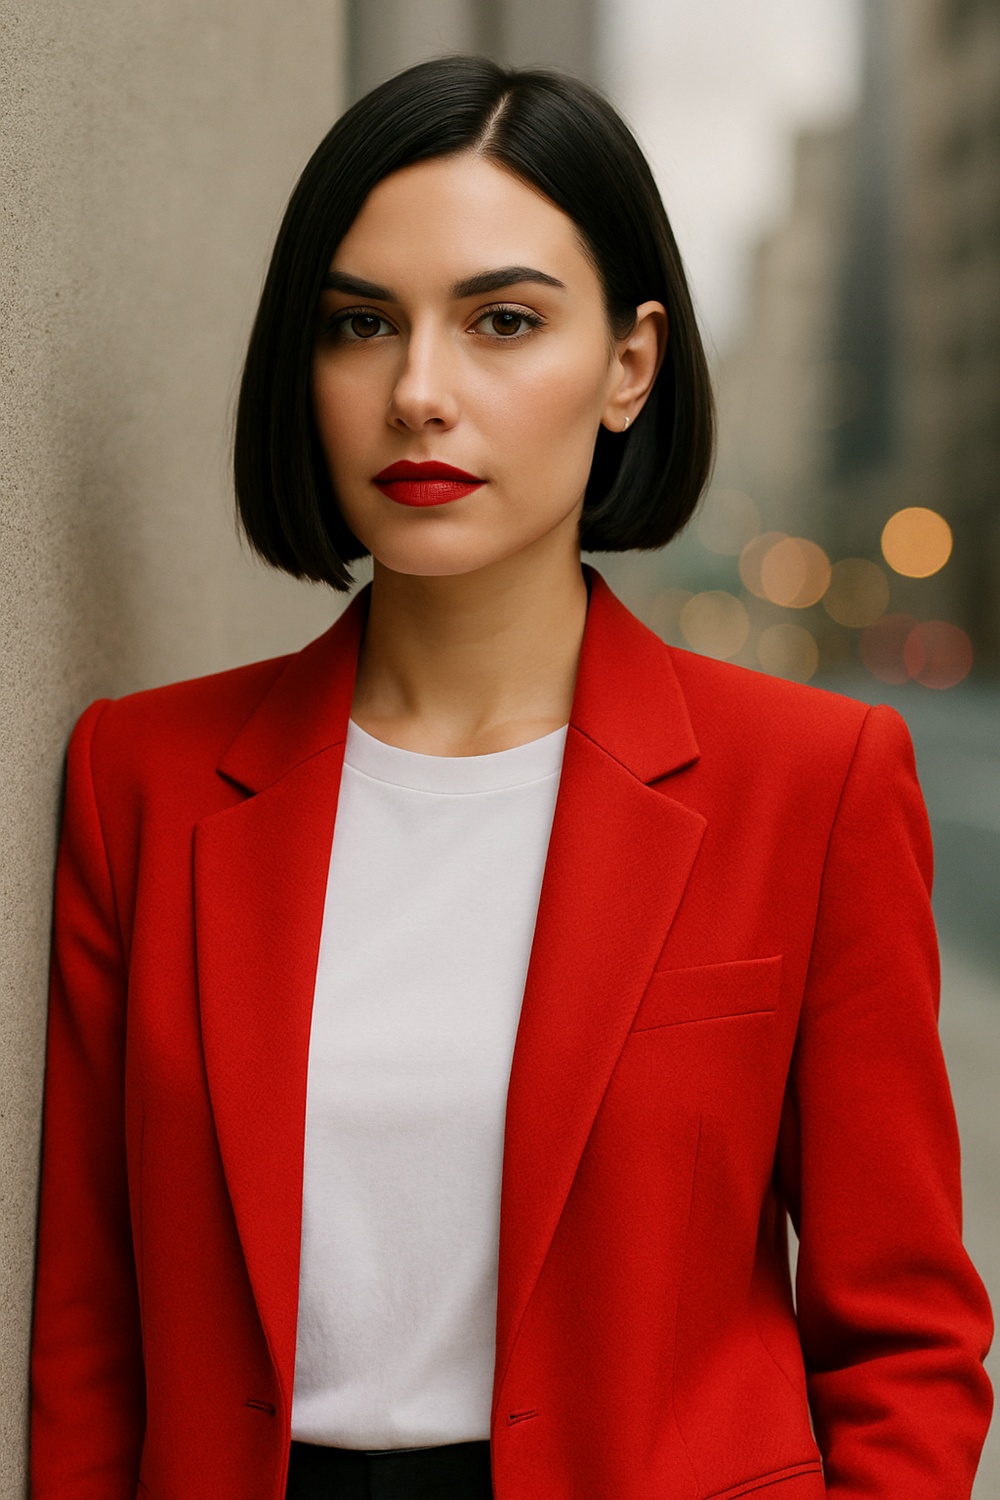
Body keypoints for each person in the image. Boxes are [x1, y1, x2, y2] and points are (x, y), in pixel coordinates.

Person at [29, 54, 992, 1500]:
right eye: (361, 325)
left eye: (502, 321)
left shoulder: (817, 782)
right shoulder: (142, 781)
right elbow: (90, 1342)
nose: (420, 392)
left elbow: (905, 1343)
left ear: (629, 365)